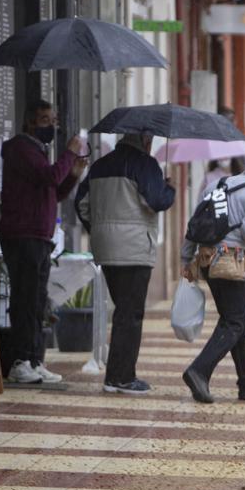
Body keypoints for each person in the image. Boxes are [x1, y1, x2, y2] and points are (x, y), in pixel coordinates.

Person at [180, 155, 245, 404]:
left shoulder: (217, 185)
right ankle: (199, 370)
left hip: (208, 261)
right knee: (234, 322)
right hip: (233, 262)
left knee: (235, 319)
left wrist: (186, 259)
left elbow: (195, 224)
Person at [75, 134, 175, 395]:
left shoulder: (99, 166)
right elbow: (157, 201)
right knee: (130, 314)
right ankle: (121, 378)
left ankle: (117, 375)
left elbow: (81, 205)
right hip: (133, 248)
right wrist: (169, 188)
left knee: (123, 310)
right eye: (150, 138)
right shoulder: (146, 164)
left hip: (105, 248)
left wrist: (100, 230)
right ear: (143, 138)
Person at [0, 100, 87, 384]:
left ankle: (35, 359)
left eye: (53, 120)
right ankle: (19, 361)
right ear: (29, 122)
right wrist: (69, 154)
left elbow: (54, 192)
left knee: (37, 301)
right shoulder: (20, 149)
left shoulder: (39, 151)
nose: (50, 125)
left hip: (40, 235)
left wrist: (73, 176)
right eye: (44, 119)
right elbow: (48, 176)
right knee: (25, 300)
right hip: (22, 235)